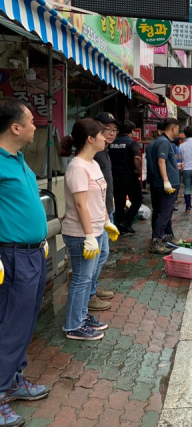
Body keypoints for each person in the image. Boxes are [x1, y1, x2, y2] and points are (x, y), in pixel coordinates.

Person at [0, 99, 51, 426]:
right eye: (31, 121)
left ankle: (14, 379)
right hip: (12, 256)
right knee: (9, 326)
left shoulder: (18, 160)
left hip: (33, 253)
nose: (36, 125)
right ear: (15, 127)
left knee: (25, 323)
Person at [60, 119, 120, 341]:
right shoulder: (77, 167)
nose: (106, 138)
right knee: (82, 278)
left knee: (91, 274)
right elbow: (80, 205)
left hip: (96, 228)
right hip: (80, 232)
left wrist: (106, 222)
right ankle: (74, 325)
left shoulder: (94, 163)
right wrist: (88, 236)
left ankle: (82, 316)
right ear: (90, 139)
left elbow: (101, 197)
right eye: (102, 134)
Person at [89, 112, 119, 312]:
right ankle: (89, 295)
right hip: (98, 213)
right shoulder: (93, 153)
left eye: (114, 130)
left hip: (107, 209)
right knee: (99, 254)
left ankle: (93, 288)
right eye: (106, 129)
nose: (111, 134)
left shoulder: (104, 151)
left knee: (103, 254)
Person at [146, 118, 181, 254]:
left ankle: (167, 235)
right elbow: (161, 161)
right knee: (164, 212)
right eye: (177, 129)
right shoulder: (164, 142)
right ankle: (156, 241)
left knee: (162, 211)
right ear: (173, 129)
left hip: (157, 182)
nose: (178, 132)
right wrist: (166, 181)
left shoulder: (155, 142)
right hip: (165, 184)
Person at [109, 120, 142, 234]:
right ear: (132, 131)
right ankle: (126, 222)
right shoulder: (132, 143)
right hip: (129, 176)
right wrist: (138, 171)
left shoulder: (112, 143)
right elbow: (137, 158)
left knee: (119, 202)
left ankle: (120, 227)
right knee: (137, 200)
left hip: (115, 176)